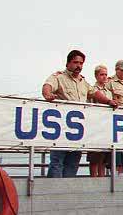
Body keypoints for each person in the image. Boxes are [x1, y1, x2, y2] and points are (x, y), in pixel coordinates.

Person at [42, 50, 117, 178]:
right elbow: (47, 86)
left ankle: (68, 189)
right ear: (68, 63)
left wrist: (108, 101)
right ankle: (53, 189)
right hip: (60, 130)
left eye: (81, 63)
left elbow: (95, 93)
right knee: (57, 162)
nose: (79, 65)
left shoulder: (83, 82)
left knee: (73, 163)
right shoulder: (59, 77)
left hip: (77, 132)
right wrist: (47, 94)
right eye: (75, 62)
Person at [86, 65, 112, 177]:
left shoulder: (109, 92)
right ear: (96, 76)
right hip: (95, 126)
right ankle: (93, 180)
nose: (104, 77)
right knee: (94, 158)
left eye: (106, 74)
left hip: (106, 126)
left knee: (104, 158)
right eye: (102, 74)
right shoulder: (92, 90)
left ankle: (102, 180)